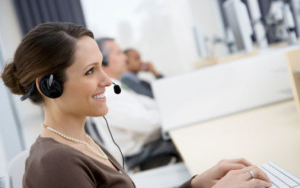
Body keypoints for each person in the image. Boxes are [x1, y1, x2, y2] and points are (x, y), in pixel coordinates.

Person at [1, 22, 272, 188]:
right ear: (49, 86)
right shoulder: (56, 164)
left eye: (100, 66)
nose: (107, 80)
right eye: (90, 71)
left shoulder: (79, 141)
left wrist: (196, 184)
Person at [94, 38, 180, 171]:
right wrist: (171, 112)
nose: (125, 58)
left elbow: (149, 104)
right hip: (143, 157)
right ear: (102, 61)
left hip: (152, 147)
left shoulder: (117, 86)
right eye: (119, 53)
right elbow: (147, 122)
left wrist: (169, 108)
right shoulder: (107, 95)